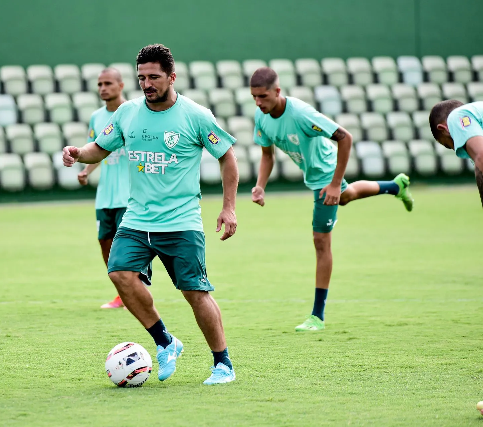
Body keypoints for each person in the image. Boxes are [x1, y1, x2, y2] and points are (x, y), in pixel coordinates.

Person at [62, 44, 239, 385]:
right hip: (137, 219)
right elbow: (99, 148)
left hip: (181, 222)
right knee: (119, 273)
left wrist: (229, 207)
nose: (147, 84)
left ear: (172, 77)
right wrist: (77, 153)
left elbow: (227, 157)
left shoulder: (196, 115)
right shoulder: (127, 113)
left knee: (195, 293)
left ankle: (223, 364)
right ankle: (165, 341)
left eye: (154, 77)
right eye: (141, 77)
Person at [249, 67, 414, 332]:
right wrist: (260, 186)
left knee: (320, 241)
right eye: (254, 97)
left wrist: (335, 183)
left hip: (325, 176)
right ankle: (395, 186)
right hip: (316, 175)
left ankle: (317, 316)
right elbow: (267, 156)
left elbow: (344, 137)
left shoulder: (301, 114)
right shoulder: (262, 116)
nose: (258, 102)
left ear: (277, 92)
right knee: (347, 197)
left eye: (263, 96)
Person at [77, 68, 139, 309]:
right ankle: (123, 293)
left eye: (108, 83)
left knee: (126, 247)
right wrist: (86, 170)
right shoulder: (96, 117)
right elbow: (98, 150)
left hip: (129, 195)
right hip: (104, 196)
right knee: (105, 244)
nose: (103, 88)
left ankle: (134, 290)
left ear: (121, 85)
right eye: (100, 83)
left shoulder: (134, 113)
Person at [429, 100, 483, 206]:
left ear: (444, 129)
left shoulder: (456, 116)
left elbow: (481, 156)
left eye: (449, 145)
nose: (456, 148)